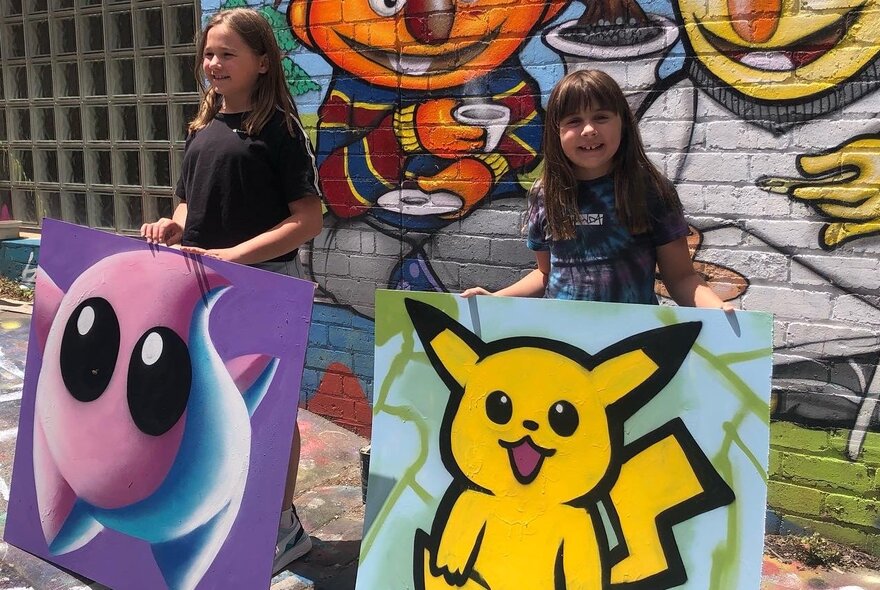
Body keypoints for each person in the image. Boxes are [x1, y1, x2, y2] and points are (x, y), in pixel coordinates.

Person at [140, 8, 323, 574]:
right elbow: (189, 204)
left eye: (228, 54)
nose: (214, 64)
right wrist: (173, 224)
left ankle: (284, 527)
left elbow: (308, 219)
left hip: (264, 288)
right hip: (201, 292)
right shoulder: (202, 130)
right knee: (206, 410)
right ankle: (222, 514)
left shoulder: (280, 132)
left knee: (268, 411)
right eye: (209, 54)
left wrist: (235, 257)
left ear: (262, 62)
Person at [462, 69, 734, 310]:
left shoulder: (651, 190)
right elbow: (545, 274)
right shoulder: (545, 195)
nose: (589, 129)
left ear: (623, 123)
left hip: (634, 345)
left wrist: (717, 309)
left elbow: (681, 277)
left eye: (601, 117)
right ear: (556, 132)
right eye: (573, 121)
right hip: (564, 342)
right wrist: (496, 299)